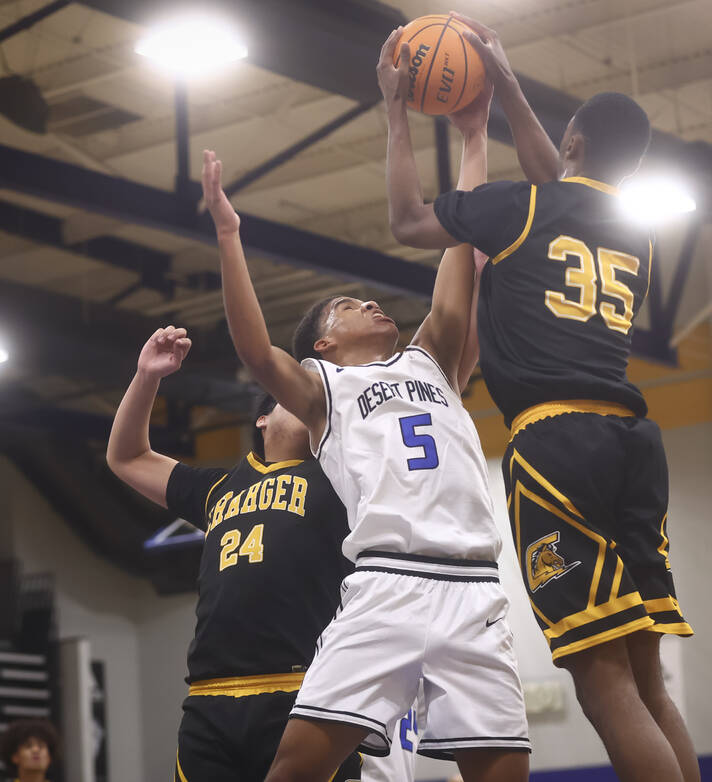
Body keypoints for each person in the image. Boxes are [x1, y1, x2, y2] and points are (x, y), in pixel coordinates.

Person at [380, 13, 697, 782]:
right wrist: (505, 94)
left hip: (558, 443)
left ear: (574, 140)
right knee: (648, 679)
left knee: (604, 683)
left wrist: (395, 110)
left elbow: (407, 220)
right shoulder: (636, 231)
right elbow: (560, 178)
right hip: (632, 442)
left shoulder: (521, 209)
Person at [201, 38, 529, 782]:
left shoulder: (434, 357)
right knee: (294, 771)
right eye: (349, 305)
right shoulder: (322, 389)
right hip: (386, 583)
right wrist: (228, 235)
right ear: (324, 341)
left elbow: (460, 245)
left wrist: (474, 136)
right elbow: (255, 351)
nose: (372, 304)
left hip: (475, 587)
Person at [107, 338, 368, 782]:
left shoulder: (343, 480)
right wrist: (146, 377)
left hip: (305, 690)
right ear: (262, 417)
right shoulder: (218, 488)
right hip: (209, 697)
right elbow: (127, 456)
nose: (309, 406)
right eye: (294, 397)